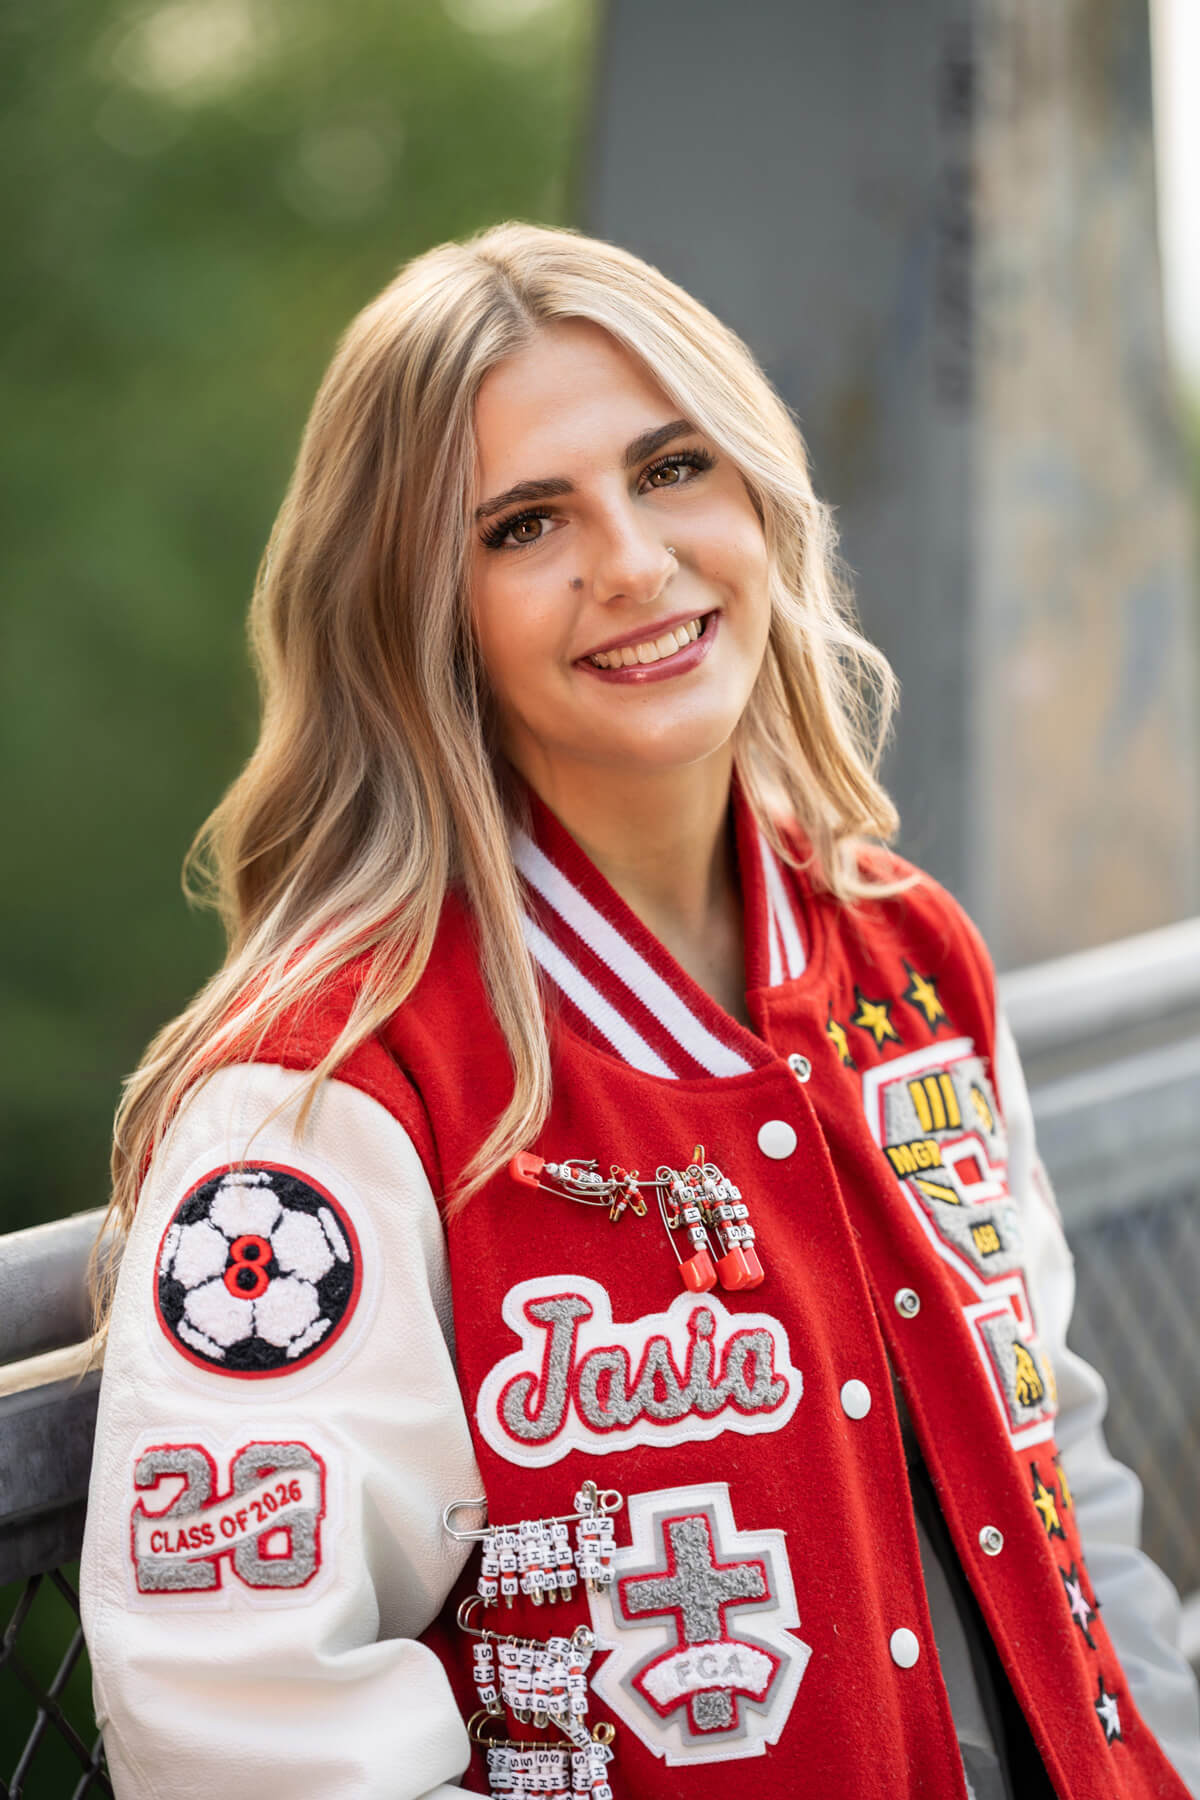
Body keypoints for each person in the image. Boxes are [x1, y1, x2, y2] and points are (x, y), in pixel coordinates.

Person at [80, 220, 1200, 1800]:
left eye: (672, 469)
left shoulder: (908, 959)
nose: (629, 561)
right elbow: (245, 1726)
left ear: (760, 496)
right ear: (416, 610)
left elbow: (1061, 1483)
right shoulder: (324, 1095)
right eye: (525, 523)